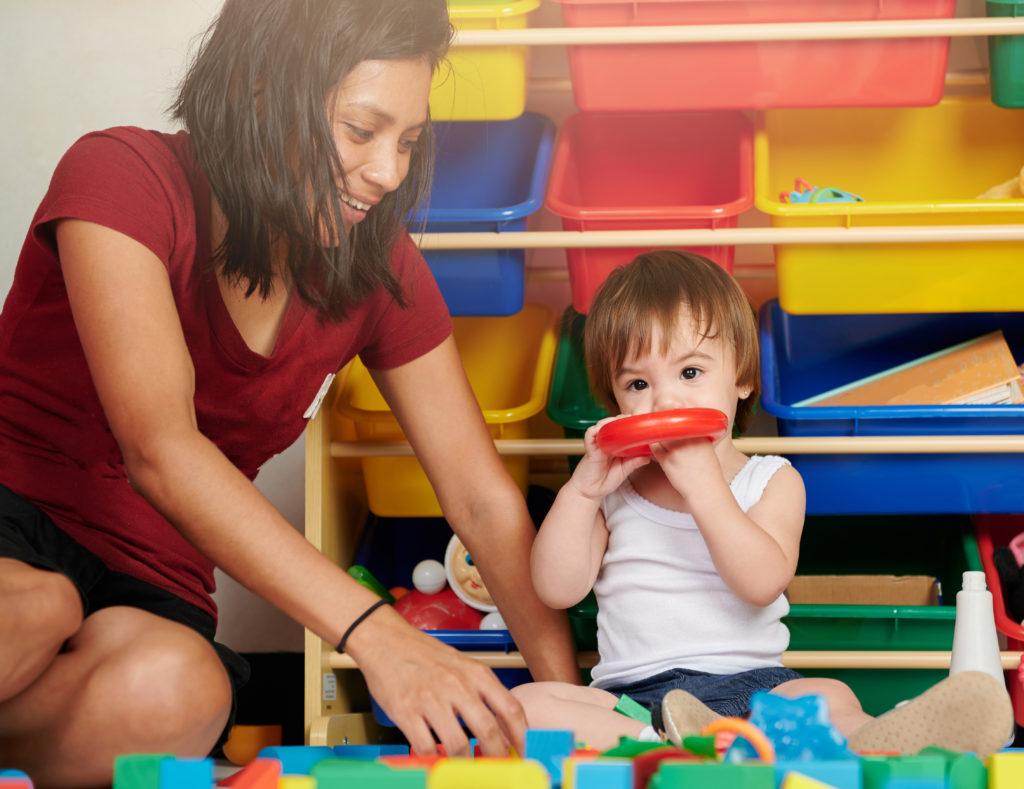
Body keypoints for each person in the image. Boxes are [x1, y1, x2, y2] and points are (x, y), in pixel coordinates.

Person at [0, 1, 579, 783]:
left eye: (408, 142)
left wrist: (564, 699)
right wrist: (377, 634)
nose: (390, 172)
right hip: (17, 521)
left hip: (153, 583)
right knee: (36, 608)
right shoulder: (120, 175)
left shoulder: (377, 264)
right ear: (261, 92)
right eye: (362, 130)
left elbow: (480, 498)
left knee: (184, 688)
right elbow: (161, 450)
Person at [512, 250, 1014, 756]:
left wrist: (706, 489)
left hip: (757, 693)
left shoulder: (770, 479)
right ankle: (659, 745)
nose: (665, 401)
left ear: (743, 380)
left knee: (827, 694)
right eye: (638, 384)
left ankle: (881, 740)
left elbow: (760, 583)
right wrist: (582, 490)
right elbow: (556, 588)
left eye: (689, 373)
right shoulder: (612, 489)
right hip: (633, 703)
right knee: (529, 704)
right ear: (615, 404)